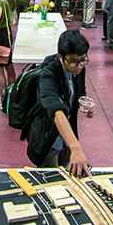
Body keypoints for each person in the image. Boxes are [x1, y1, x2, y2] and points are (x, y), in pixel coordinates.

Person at [23, 30, 92, 175]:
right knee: (52, 179)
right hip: (48, 137)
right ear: (61, 56)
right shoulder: (48, 75)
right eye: (73, 61)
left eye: (83, 60)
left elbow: (80, 92)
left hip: (67, 134)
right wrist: (76, 147)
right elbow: (56, 111)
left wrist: (83, 104)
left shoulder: (78, 68)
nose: (79, 66)